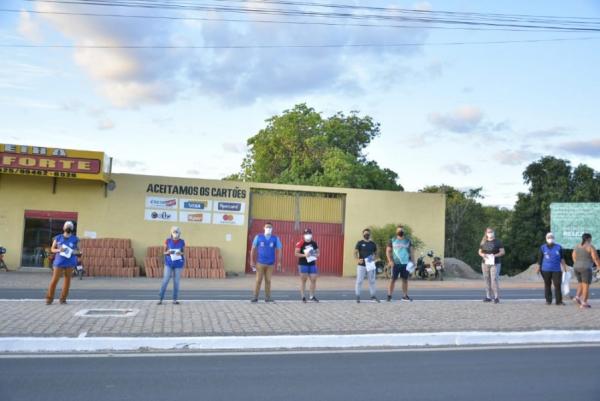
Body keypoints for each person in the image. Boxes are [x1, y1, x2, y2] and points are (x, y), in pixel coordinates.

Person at [45, 221, 79, 305]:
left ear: (72, 229)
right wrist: (59, 250)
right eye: (67, 226)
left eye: (70, 227)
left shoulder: (76, 239)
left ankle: (63, 299)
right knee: (54, 280)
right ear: (63, 228)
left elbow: (78, 251)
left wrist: (73, 252)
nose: (68, 228)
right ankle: (49, 299)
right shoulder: (58, 238)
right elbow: (52, 249)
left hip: (70, 263)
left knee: (67, 281)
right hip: (59, 263)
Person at [250, 222, 282, 303]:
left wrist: (279, 262)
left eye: (270, 227)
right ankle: (255, 297)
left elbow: (279, 250)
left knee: (268, 280)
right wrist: (251, 260)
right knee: (258, 280)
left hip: (270, 264)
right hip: (260, 263)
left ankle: (267, 298)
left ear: (272, 229)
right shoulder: (258, 237)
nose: (269, 228)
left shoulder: (275, 238)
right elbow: (253, 249)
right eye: (267, 227)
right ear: (263, 228)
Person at [535, 232, 567, 305]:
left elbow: (562, 258)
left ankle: (559, 301)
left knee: (557, 284)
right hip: (545, 270)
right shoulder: (542, 247)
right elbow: (540, 259)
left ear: (554, 238)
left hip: (557, 270)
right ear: (546, 239)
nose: (550, 239)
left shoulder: (559, 247)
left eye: (552, 237)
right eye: (549, 237)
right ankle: (548, 300)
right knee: (547, 284)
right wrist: (538, 268)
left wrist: (564, 268)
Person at [386, 225, 414, 302]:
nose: (400, 231)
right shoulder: (392, 240)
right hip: (395, 263)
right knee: (392, 280)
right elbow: (388, 251)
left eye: (401, 230)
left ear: (403, 232)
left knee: (405, 280)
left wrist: (413, 261)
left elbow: (411, 251)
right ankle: (389, 296)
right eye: (399, 230)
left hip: (406, 263)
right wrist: (390, 261)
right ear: (396, 232)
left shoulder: (408, 241)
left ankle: (405, 296)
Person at [158, 226, 185, 305]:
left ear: (179, 233)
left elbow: (183, 252)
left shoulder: (182, 241)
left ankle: (175, 299)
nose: (176, 234)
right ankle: (160, 298)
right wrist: (168, 252)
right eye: (174, 232)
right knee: (165, 280)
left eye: (177, 232)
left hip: (178, 263)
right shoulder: (168, 241)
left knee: (176, 282)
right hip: (169, 263)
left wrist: (180, 253)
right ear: (171, 233)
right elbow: (164, 252)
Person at [572, 233, 600, 309]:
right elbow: (595, 258)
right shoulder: (590, 247)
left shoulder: (577, 246)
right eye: (591, 239)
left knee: (580, 283)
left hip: (576, 267)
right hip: (586, 268)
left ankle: (577, 297)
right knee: (586, 286)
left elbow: (573, 256)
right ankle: (584, 303)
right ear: (589, 239)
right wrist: (598, 266)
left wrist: (577, 263)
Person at [478, 227, 505, 304]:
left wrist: (495, 255)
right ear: (486, 233)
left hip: (495, 263)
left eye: (491, 232)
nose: (490, 233)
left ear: (494, 232)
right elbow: (479, 251)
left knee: (494, 279)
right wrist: (483, 255)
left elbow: (502, 252)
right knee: (487, 279)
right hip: (485, 263)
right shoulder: (484, 242)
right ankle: (488, 297)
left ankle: (496, 297)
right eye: (489, 232)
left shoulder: (498, 242)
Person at [354, 228, 380, 303]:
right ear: (363, 234)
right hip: (361, 265)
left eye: (368, 233)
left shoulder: (372, 244)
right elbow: (355, 252)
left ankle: (373, 296)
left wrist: (375, 258)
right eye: (365, 233)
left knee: (372, 281)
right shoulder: (359, 243)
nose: (366, 235)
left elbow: (376, 253)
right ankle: (358, 296)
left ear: (370, 234)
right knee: (359, 281)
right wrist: (357, 259)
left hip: (370, 265)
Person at [295, 228, 320, 303]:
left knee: (313, 279)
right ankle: (303, 297)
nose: (308, 235)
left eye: (309, 233)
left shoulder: (314, 243)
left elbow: (318, 252)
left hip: (312, 264)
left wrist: (315, 254)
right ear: (303, 235)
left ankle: (312, 296)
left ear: (311, 235)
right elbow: (296, 253)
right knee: (304, 280)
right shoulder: (300, 243)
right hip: (303, 264)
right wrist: (304, 255)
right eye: (306, 234)